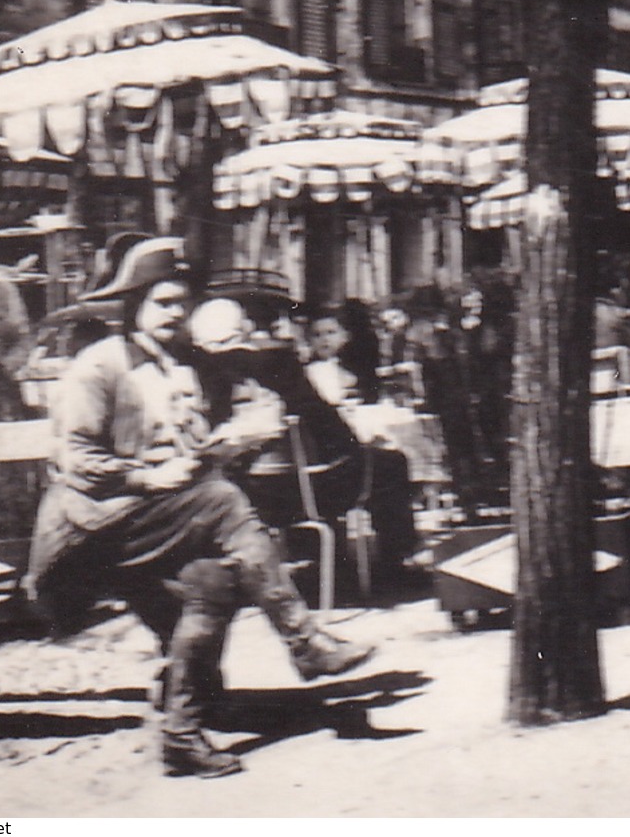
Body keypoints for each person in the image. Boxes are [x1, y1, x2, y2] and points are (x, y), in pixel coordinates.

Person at [24, 237, 375, 780]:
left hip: (160, 522)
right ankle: (304, 641)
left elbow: (238, 416)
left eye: (181, 303)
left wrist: (240, 436)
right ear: (132, 305)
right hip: (90, 531)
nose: (175, 313)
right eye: (163, 302)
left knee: (213, 580)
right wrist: (145, 475)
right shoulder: (99, 366)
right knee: (222, 501)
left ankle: (182, 733)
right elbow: (76, 460)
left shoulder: (189, 364)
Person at [193, 295, 420, 596]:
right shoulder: (277, 360)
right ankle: (393, 568)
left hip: (242, 492)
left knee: (320, 469)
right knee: (390, 463)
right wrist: (355, 443)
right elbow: (325, 422)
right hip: (301, 492)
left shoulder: (198, 371)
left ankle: (325, 564)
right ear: (243, 327)